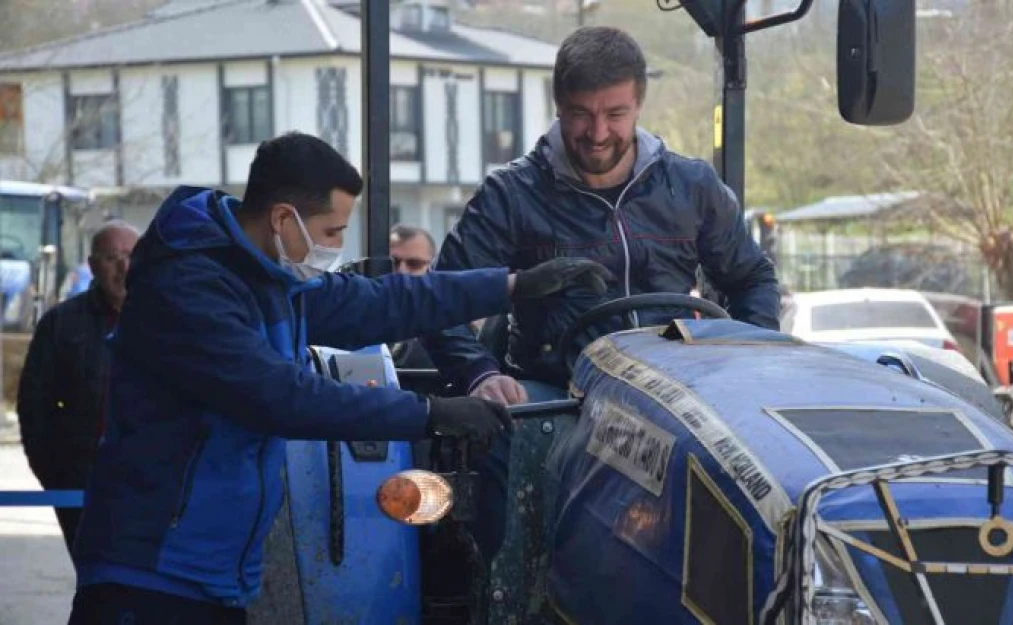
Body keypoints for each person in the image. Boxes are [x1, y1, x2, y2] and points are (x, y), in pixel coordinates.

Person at [65, 131, 610, 625]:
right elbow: (282, 397)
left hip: (214, 573)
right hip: (150, 569)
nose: (334, 247)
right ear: (283, 220)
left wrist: (511, 286)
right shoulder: (191, 290)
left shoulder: (269, 277)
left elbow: (380, 302)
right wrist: (429, 414)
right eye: (330, 231)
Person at [421, 25, 781, 560]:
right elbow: (439, 302)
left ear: (638, 105)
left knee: (754, 463)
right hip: (557, 388)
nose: (597, 132)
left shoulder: (691, 186)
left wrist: (744, 357)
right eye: (581, 114)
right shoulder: (512, 195)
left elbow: (752, 278)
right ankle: (508, 594)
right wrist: (482, 373)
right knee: (509, 440)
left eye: (615, 114)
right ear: (558, 107)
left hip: (677, 385)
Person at [16, 220, 140, 564]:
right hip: (82, 482)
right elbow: (34, 406)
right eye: (112, 257)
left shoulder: (171, 317)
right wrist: (54, 475)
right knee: (96, 577)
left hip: (153, 483)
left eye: (131, 255)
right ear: (92, 265)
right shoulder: (61, 324)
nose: (124, 267)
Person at [388, 224, 438, 369]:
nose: (402, 271)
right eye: (393, 263)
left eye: (414, 264)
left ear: (432, 268)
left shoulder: (451, 324)